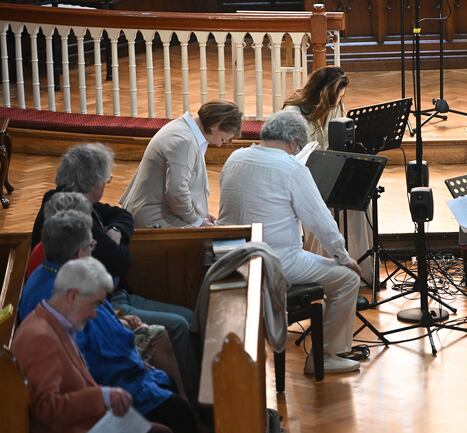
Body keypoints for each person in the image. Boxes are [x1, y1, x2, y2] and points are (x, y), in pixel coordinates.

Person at [29, 143, 198, 405]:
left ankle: (191, 398)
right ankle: (189, 402)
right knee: (179, 325)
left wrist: (117, 231)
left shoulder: (69, 198)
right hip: (106, 304)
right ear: (94, 182)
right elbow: (120, 262)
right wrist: (113, 242)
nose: (105, 185)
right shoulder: (73, 213)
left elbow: (121, 214)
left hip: (111, 297)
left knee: (186, 317)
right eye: (105, 180)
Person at [18, 214, 198, 433]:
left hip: (104, 387)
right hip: (102, 399)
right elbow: (94, 361)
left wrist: (119, 322)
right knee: (179, 414)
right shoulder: (54, 311)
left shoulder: (52, 281)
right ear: (77, 254)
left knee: (170, 397)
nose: (92, 253)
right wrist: (106, 394)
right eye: (89, 247)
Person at [218, 110, 361, 374]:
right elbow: (321, 221)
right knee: (347, 279)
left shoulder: (234, 158)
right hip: (276, 260)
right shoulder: (292, 168)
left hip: (228, 256)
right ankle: (327, 355)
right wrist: (343, 257)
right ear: (295, 143)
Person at [12, 257, 171, 433]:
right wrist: (102, 396)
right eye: (94, 305)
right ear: (72, 296)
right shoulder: (42, 338)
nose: (95, 314)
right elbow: (46, 408)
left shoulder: (54, 321)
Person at [283, 66, 374, 284]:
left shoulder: (334, 107)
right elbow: (289, 157)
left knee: (362, 199)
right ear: (323, 94)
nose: (339, 102)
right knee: (326, 205)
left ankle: (361, 269)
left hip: (329, 169)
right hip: (304, 176)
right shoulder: (292, 115)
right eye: (337, 96)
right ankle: (322, 269)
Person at [121, 100, 243, 228]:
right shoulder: (185, 141)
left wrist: (202, 214)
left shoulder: (184, 127)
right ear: (215, 125)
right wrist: (198, 221)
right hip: (153, 216)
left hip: (160, 209)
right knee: (210, 239)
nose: (219, 144)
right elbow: (176, 192)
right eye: (223, 139)